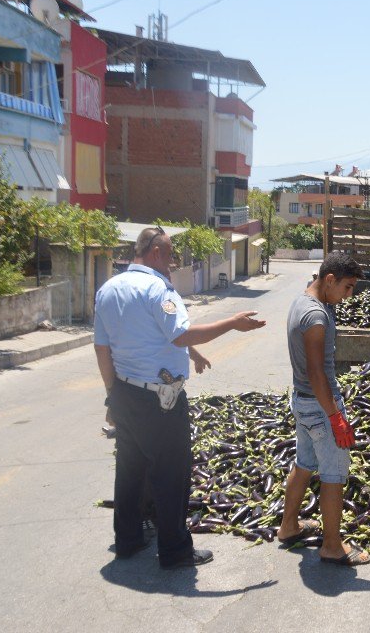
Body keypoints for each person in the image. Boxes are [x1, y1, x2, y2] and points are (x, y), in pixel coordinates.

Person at [94, 226, 267, 569]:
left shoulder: (109, 289)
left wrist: (112, 394)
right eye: (171, 255)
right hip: (160, 401)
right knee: (171, 473)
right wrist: (232, 322)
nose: (173, 263)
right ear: (156, 252)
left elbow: (105, 347)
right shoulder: (159, 289)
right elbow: (179, 333)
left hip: (124, 393)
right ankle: (175, 551)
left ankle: (127, 540)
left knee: (130, 469)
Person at [277, 252, 370, 566]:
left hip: (302, 401)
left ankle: (288, 526)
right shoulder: (315, 316)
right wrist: (336, 418)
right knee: (333, 475)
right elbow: (317, 372)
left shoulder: (302, 302)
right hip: (319, 406)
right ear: (329, 279)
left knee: (304, 463)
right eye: (347, 287)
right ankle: (332, 546)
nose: (349, 295)